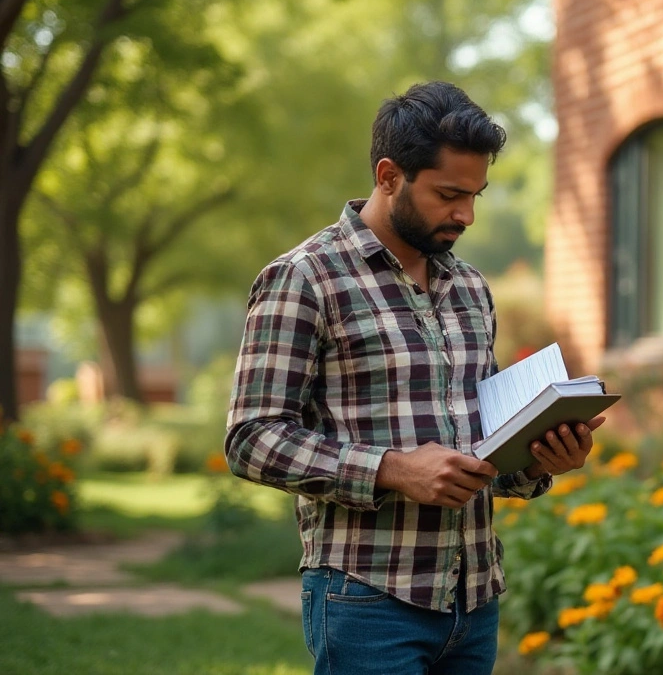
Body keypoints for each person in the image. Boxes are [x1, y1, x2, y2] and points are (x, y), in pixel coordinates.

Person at [225, 81, 600, 675]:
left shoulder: (471, 288)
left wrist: (536, 460)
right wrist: (393, 470)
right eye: (449, 194)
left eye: (476, 195)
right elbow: (251, 437)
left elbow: (479, 448)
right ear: (389, 175)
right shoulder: (306, 278)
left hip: (474, 598)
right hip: (367, 599)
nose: (466, 215)